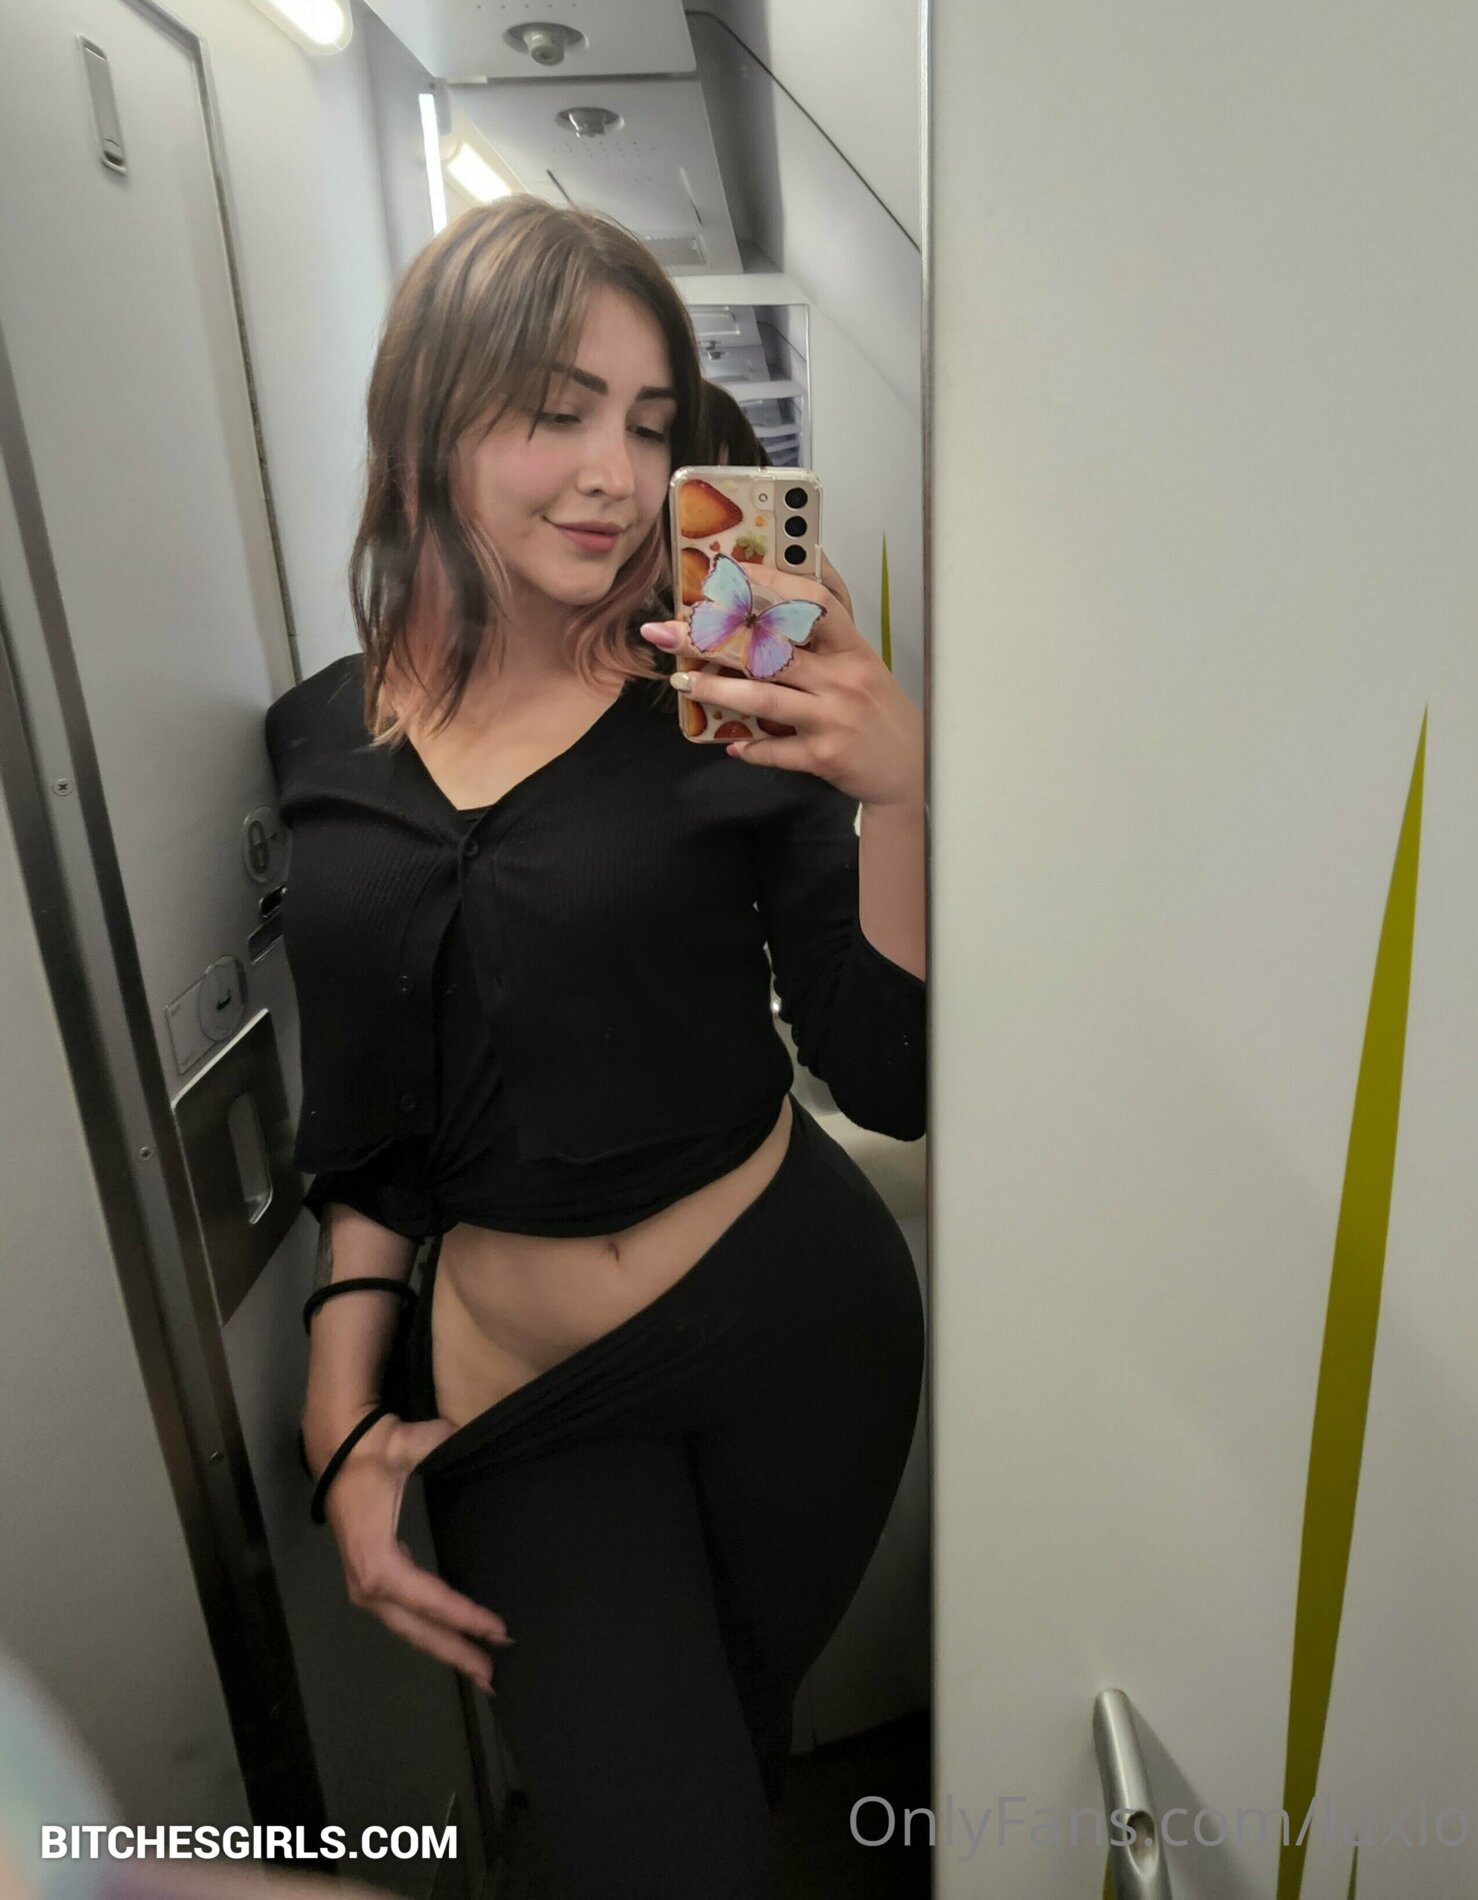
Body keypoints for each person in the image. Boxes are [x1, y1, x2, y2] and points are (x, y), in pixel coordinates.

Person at [264, 196, 927, 1900]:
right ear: (427, 420)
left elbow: (890, 1077)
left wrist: (904, 797)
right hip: (526, 1394)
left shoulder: (726, 699)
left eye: (645, 423)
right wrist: (342, 1415)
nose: (613, 478)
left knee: (727, 1759)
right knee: (662, 1843)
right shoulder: (322, 737)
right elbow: (369, 1120)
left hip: (797, 1335)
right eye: (553, 413)